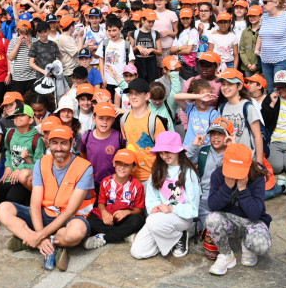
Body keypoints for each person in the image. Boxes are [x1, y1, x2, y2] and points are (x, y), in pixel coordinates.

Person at [0, 126, 95, 272]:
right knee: (3, 209)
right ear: (48, 143)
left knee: (76, 232)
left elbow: (70, 212)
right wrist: (41, 238)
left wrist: (39, 235)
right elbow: (35, 204)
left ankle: (29, 239)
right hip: (46, 214)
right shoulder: (41, 163)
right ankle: (50, 245)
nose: (59, 148)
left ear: (72, 143)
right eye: (54, 143)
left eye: (64, 143)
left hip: (70, 219)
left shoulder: (84, 167)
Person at [130, 131, 200, 259]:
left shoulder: (189, 174)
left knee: (152, 221)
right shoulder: (157, 171)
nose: (164, 156)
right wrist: (156, 207)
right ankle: (170, 239)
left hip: (181, 218)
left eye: (168, 151)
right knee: (138, 252)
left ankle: (181, 234)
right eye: (161, 152)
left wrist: (172, 208)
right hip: (160, 218)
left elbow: (193, 209)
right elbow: (151, 199)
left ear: (178, 150)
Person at [206, 143, 272, 275]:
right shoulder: (218, 174)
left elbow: (254, 214)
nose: (235, 175)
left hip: (253, 222)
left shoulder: (258, 177)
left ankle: (248, 245)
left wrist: (243, 189)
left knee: (261, 245)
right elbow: (212, 206)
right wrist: (226, 187)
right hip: (230, 220)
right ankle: (226, 255)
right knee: (211, 218)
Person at [84, 149, 145, 249]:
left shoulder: (137, 185)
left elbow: (139, 209)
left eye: (126, 165)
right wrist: (104, 213)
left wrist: (127, 212)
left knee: (137, 220)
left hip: (125, 218)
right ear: (114, 164)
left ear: (133, 168)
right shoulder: (106, 181)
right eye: (119, 163)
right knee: (91, 220)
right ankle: (125, 234)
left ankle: (104, 238)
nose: (122, 167)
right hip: (109, 218)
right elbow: (101, 203)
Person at [0, 103, 45, 210]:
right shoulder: (10, 133)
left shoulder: (37, 139)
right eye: (15, 116)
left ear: (30, 120)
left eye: (21, 116)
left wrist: (21, 169)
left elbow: (39, 164)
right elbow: (8, 151)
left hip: (24, 178)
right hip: (10, 174)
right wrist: (8, 166)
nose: (18, 118)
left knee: (12, 199)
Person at [120, 78, 167, 182]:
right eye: (131, 93)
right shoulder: (124, 119)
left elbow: (164, 150)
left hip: (150, 177)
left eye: (137, 93)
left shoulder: (154, 121)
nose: (133, 96)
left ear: (147, 96)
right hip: (130, 176)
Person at [216, 69, 264, 164]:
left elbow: (257, 136)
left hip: (247, 158)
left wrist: (259, 162)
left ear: (239, 86)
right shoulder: (222, 107)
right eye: (223, 84)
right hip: (229, 157)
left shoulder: (248, 107)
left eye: (230, 84)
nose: (225, 87)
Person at [262, 70, 286, 175]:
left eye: (284, 87)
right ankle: (280, 158)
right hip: (274, 140)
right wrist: (272, 104)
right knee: (276, 168)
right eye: (278, 87)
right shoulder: (270, 98)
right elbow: (264, 122)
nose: (281, 90)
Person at [79, 102, 125, 189]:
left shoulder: (119, 137)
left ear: (113, 120)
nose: (104, 122)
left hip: (114, 183)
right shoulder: (87, 136)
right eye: (101, 118)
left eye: (108, 119)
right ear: (94, 119)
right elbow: (83, 155)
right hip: (93, 183)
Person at [174, 78, 219, 161]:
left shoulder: (213, 113)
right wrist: (199, 96)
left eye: (207, 96)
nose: (205, 100)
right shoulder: (190, 108)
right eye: (203, 97)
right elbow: (176, 97)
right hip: (188, 150)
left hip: (204, 153)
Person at [99, 17, 135, 95]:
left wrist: (128, 79)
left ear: (120, 29)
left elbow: (131, 63)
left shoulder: (126, 44)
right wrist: (102, 77)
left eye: (114, 30)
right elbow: (101, 60)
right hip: (107, 81)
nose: (112, 33)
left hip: (121, 81)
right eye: (109, 31)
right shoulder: (104, 43)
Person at [130, 9, 162, 83]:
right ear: (143, 20)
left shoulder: (155, 33)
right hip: (138, 62)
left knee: (152, 84)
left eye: (153, 22)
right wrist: (137, 46)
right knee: (139, 84)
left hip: (151, 62)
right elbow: (130, 51)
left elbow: (160, 52)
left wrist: (152, 49)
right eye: (149, 21)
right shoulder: (134, 33)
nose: (151, 24)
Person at [152, 0, 179, 66]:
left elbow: (177, 33)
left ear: (166, 1)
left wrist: (168, 33)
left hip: (169, 47)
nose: (158, 1)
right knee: (157, 72)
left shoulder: (171, 14)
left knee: (169, 69)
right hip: (155, 48)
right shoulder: (151, 13)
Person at [239, 6, 262, 77]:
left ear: (260, 16)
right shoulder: (245, 31)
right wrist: (248, 64)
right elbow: (242, 50)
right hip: (247, 67)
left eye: (254, 15)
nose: (252, 18)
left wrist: (256, 64)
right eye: (250, 16)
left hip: (260, 66)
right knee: (249, 86)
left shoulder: (264, 30)